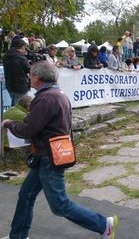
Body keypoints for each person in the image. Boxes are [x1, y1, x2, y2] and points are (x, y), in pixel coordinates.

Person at [1, 61, 118, 239]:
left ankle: (104, 225)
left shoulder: (45, 98)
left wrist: (9, 124)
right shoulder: (58, 94)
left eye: (31, 74)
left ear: (38, 78)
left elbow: (28, 129)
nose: (29, 77)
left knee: (60, 205)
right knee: (26, 195)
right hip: (49, 155)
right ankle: (18, 235)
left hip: (48, 158)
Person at [2, 39, 31, 106]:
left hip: (10, 84)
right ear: (22, 47)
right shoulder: (21, 58)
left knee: (14, 103)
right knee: (20, 106)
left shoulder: (6, 56)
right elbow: (30, 69)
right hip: (20, 86)